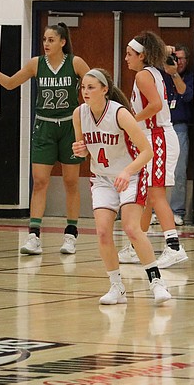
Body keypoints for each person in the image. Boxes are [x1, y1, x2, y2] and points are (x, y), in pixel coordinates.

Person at [0, 23, 89, 255]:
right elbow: (10, 84)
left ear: (62, 42)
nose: (46, 44)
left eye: (51, 40)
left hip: (70, 127)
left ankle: (71, 234)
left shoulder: (75, 62)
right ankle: (34, 235)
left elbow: (96, 85)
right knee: (40, 181)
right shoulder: (36, 64)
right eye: (44, 39)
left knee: (71, 182)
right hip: (44, 127)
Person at [72, 68, 172, 305]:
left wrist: (127, 171)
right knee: (103, 232)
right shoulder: (79, 114)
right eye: (83, 87)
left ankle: (157, 282)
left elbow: (147, 151)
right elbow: (83, 149)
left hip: (132, 174)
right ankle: (116, 287)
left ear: (105, 90)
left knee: (130, 228)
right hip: (102, 178)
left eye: (91, 87)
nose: (85, 92)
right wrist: (80, 150)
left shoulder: (120, 114)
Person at [119, 31, 187, 269]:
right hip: (154, 138)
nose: (126, 58)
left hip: (158, 137)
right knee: (147, 196)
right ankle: (138, 246)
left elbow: (156, 105)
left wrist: (132, 119)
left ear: (142, 55)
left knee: (156, 196)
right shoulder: (151, 72)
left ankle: (173, 247)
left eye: (129, 54)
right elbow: (164, 48)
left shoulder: (143, 77)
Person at [163, 44, 194, 227]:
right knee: (156, 170)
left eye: (182, 58)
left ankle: (177, 211)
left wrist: (175, 74)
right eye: (176, 57)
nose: (179, 62)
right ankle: (152, 211)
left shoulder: (189, 78)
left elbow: (186, 94)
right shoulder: (161, 75)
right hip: (161, 126)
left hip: (179, 127)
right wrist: (163, 54)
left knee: (179, 171)